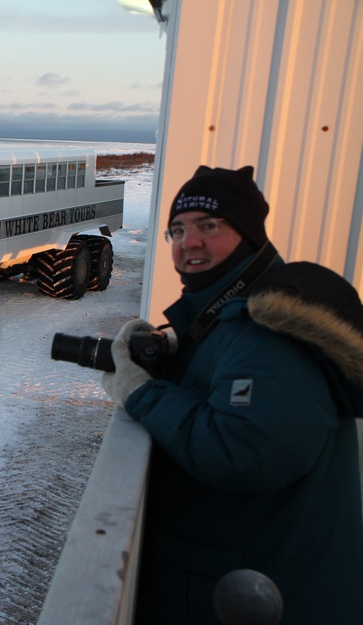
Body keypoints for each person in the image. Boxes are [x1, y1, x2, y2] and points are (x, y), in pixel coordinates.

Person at [101, 165, 363, 624]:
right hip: (252, 576)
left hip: (258, 592)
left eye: (209, 225)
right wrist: (183, 363)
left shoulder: (267, 328)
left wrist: (142, 394)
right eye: (177, 230)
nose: (190, 242)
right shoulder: (232, 318)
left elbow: (246, 450)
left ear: (248, 234)